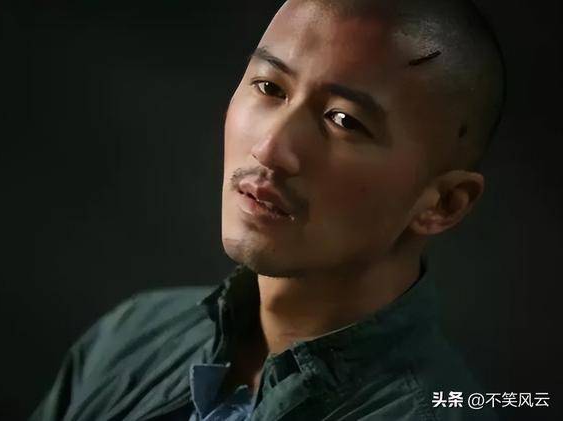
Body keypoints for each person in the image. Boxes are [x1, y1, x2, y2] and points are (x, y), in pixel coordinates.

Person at [31, 0, 505, 419]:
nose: (271, 148)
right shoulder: (132, 338)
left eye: (344, 120)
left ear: (443, 203)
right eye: (269, 87)